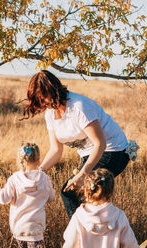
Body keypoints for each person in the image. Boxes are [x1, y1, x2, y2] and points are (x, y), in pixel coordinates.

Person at [23, 70, 139, 219]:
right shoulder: (50, 114)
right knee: (85, 197)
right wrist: (39, 172)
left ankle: (84, 234)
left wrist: (83, 175)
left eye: (43, 98)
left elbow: (100, 144)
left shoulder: (79, 106)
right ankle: (91, 233)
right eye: (39, 100)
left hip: (114, 151)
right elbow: (56, 149)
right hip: (90, 154)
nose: (43, 103)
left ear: (53, 90)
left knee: (70, 192)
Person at [61, 168, 142, 248]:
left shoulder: (79, 216)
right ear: (111, 192)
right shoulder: (118, 216)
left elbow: (71, 242)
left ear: (86, 191)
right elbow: (130, 243)